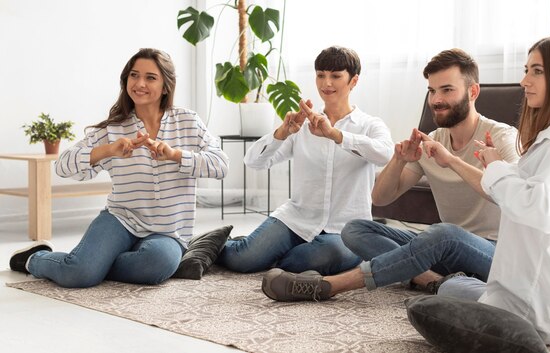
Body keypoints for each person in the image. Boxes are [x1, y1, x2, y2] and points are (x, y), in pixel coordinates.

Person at [261, 48, 519, 301]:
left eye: (447, 90)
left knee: (444, 233)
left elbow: (515, 198)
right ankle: (429, 280)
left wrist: (451, 161)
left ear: (472, 92)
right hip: (443, 251)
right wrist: (398, 160)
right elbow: (381, 198)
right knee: (355, 230)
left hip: (495, 252)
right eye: (432, 91)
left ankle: (330, 286)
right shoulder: (433, 141)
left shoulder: (501, 136)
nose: (436, 100)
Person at [427, 34, 550, 345]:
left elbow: (538, 209)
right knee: (450, 289)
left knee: (432, 305)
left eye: (536, 71)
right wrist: (498, 165)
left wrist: (498, 169)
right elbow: (536, 191)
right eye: (526, 69)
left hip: (544, 311)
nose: (524, 80)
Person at [9, 48, 229, 288]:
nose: (139, 83)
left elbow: (220, 165)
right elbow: (62, 166)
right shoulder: (113, 129)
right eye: (134, 76)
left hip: (167, 233)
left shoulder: (188, 121)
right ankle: (35, 258)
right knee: (78, 276)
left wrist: (175, 155)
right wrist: (108, 150)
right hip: (120, 220)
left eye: (150, 77)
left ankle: (91, 263)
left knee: (158, 264)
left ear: (166, 86)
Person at [217, 46, 394, 276]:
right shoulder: (302, 127)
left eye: (335, 76)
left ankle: (274, 256)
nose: (326, 83)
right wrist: (282, 132)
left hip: (345, 230)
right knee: (241, 260)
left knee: (325, 256)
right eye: (320, 75)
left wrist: (335, 135)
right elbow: (253, 161)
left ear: (354, 81)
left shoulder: (370, 125)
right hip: (296, 219)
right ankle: (222, 245)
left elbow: (384, 154)